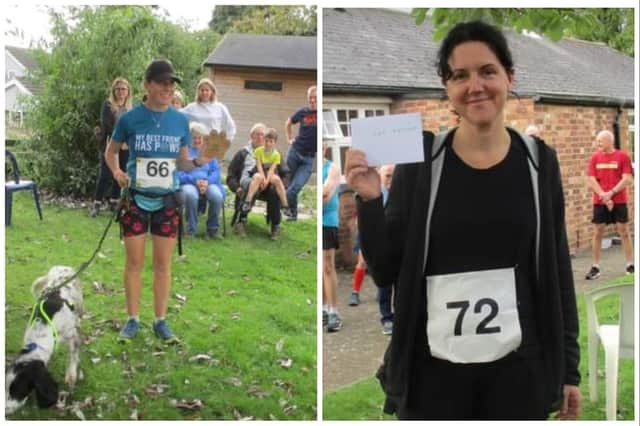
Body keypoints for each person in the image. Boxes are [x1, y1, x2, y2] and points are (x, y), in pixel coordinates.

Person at [345, 21, 581, 420]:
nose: (475, 85)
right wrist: (369, 200)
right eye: (460, 75)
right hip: (433, 377)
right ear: (447, 88)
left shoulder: (539, 162)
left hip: (520, 374)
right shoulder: (421, 162)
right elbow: (385, 270)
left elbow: (558, 267)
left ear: (509, 77)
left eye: (487, 71)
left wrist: (568, 368)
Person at [106, 59, 216, 343]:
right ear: (147, 84)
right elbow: (111, 151)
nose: (168, 88)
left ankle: (160, 321)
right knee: (134, 263)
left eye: (171, 84)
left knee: (163, 265)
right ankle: (132, 320)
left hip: (167, 200)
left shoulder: (180, 120)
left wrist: (197, 161)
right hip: (136, 200)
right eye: (162, 82)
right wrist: (117, 171)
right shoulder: (129, 118)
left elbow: (180, 162)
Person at [348, 164, 397, 336]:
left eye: (394, 175)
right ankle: (386, 317)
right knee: (382, 284)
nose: (391, 180)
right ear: (380, 176)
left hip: (397, 243)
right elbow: (362, 218)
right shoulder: (374, 192)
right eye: (388, 175)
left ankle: (399, 317)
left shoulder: (402, 193)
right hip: (377, 242)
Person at [585, 129, 634, 279]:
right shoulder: (595, 158)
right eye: (597, 140)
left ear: (610, 141)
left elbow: (627, 179)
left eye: (601, 140)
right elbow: (591, 180)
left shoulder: (622, 157)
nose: (598, 143)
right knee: (597, 232)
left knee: (624, 232)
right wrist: (604, 196)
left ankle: (630, 264)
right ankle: (595, 267)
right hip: (600, 201)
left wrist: (611, 193)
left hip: (619, 200)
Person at [227, 123, 282, 240]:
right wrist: (237, 188)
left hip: (268, 184)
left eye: (263, 135)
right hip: (249, 183)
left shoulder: (275, 154)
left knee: (274, 191)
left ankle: (275, 226)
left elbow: (286, 173)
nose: (261, 138)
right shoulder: (243, 153)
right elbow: (231, 175)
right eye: (258, 135)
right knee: (253, 184)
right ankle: (241, 221)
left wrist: (282, 186)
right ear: (251, 136)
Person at [90, 77, 132, 217]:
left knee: (119, 173)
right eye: (118, 89)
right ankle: (96, 203)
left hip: (125, 147)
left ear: (128, 91)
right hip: (110, 144)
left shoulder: (130, 108)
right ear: (114, 91)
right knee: (105, 175)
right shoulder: (108, 105)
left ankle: (114, 202)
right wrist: (121, 138)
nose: (121, 91)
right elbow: (108, 125)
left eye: (123, 89)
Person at [178, 121, 226, 239]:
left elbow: (216, 172)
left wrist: (207, 181)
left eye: (200, 138)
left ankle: (213, 229)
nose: (197, 140)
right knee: (191, 195)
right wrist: (194, 180)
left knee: (216, 196)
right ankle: (191, 230)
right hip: (188, 182)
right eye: (194, 138)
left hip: (207, 182)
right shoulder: (184, 151)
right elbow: (178, 173)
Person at [283, 85, 317, 221]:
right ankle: (292, 214)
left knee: (294, 187)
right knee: (285, 183)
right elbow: (288, 123)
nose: (313, 101)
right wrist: (289, 139)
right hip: (295, 152)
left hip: (308, 159)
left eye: (315, 98)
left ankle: (287, 211)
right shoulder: (303, 112)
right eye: (310, 98)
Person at [242, 128, 288, 212]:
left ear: (275, 142)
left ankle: (285, 205)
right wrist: (263, 178)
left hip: (269, 174)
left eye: (271, 141)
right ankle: (247, 201)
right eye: (266, 141)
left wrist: (266, 181)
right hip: (259, 172)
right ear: (263, 140)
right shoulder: (258, 151)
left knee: (277, 180)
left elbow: (271, 170)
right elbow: (259, 166)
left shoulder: (276, 155)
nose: (268, 144)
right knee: (257, 177)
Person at [322, 141, 342, 332]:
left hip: (327, 220)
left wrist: (323, 192)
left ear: (325, 145)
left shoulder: (332, 168)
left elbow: (327, 194)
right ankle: (323, 309)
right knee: (320, 268)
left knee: (328, 266)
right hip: (319, 220)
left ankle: (334, 311)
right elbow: (322, 193)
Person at [180, 77, 236, 142]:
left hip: (213, 146)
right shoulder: (191, 107)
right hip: (196, 144)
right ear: (198, 91)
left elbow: (231, 126)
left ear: (212, 91)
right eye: (202, 90)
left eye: (207, 90)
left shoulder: (220, 107)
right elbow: (177, 115)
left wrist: (227, 141)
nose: (204, 92)